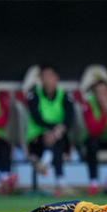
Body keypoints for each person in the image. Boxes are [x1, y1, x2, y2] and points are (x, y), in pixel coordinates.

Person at [26, 65, 76, 197]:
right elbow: (37, 118)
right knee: (54, 139)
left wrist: (56, 131)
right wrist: (53, 130)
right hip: (37, 141)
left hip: (59, 138)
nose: (47, 80)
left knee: (57, 139)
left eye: (50, 76)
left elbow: (69, 118)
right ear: (40, 79)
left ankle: (45, 162)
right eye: (44, 77)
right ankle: (61, 182)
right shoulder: (34, 95)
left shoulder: (64, 96)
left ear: (56, 78)